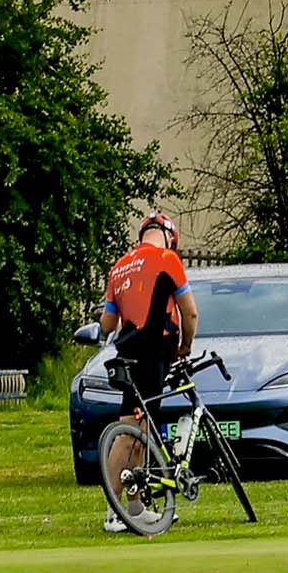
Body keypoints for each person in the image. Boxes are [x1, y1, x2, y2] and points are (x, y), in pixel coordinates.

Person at [100, 211, 196, 535]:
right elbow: (190, 311)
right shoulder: (167, 258)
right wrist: (185, 345)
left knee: (138, 433)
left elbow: (107, 323)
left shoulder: (118, 268)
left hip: (128, 354)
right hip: (155, 351)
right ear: (169, 236)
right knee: (132, 432)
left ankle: (135, 508)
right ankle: (115, 511)